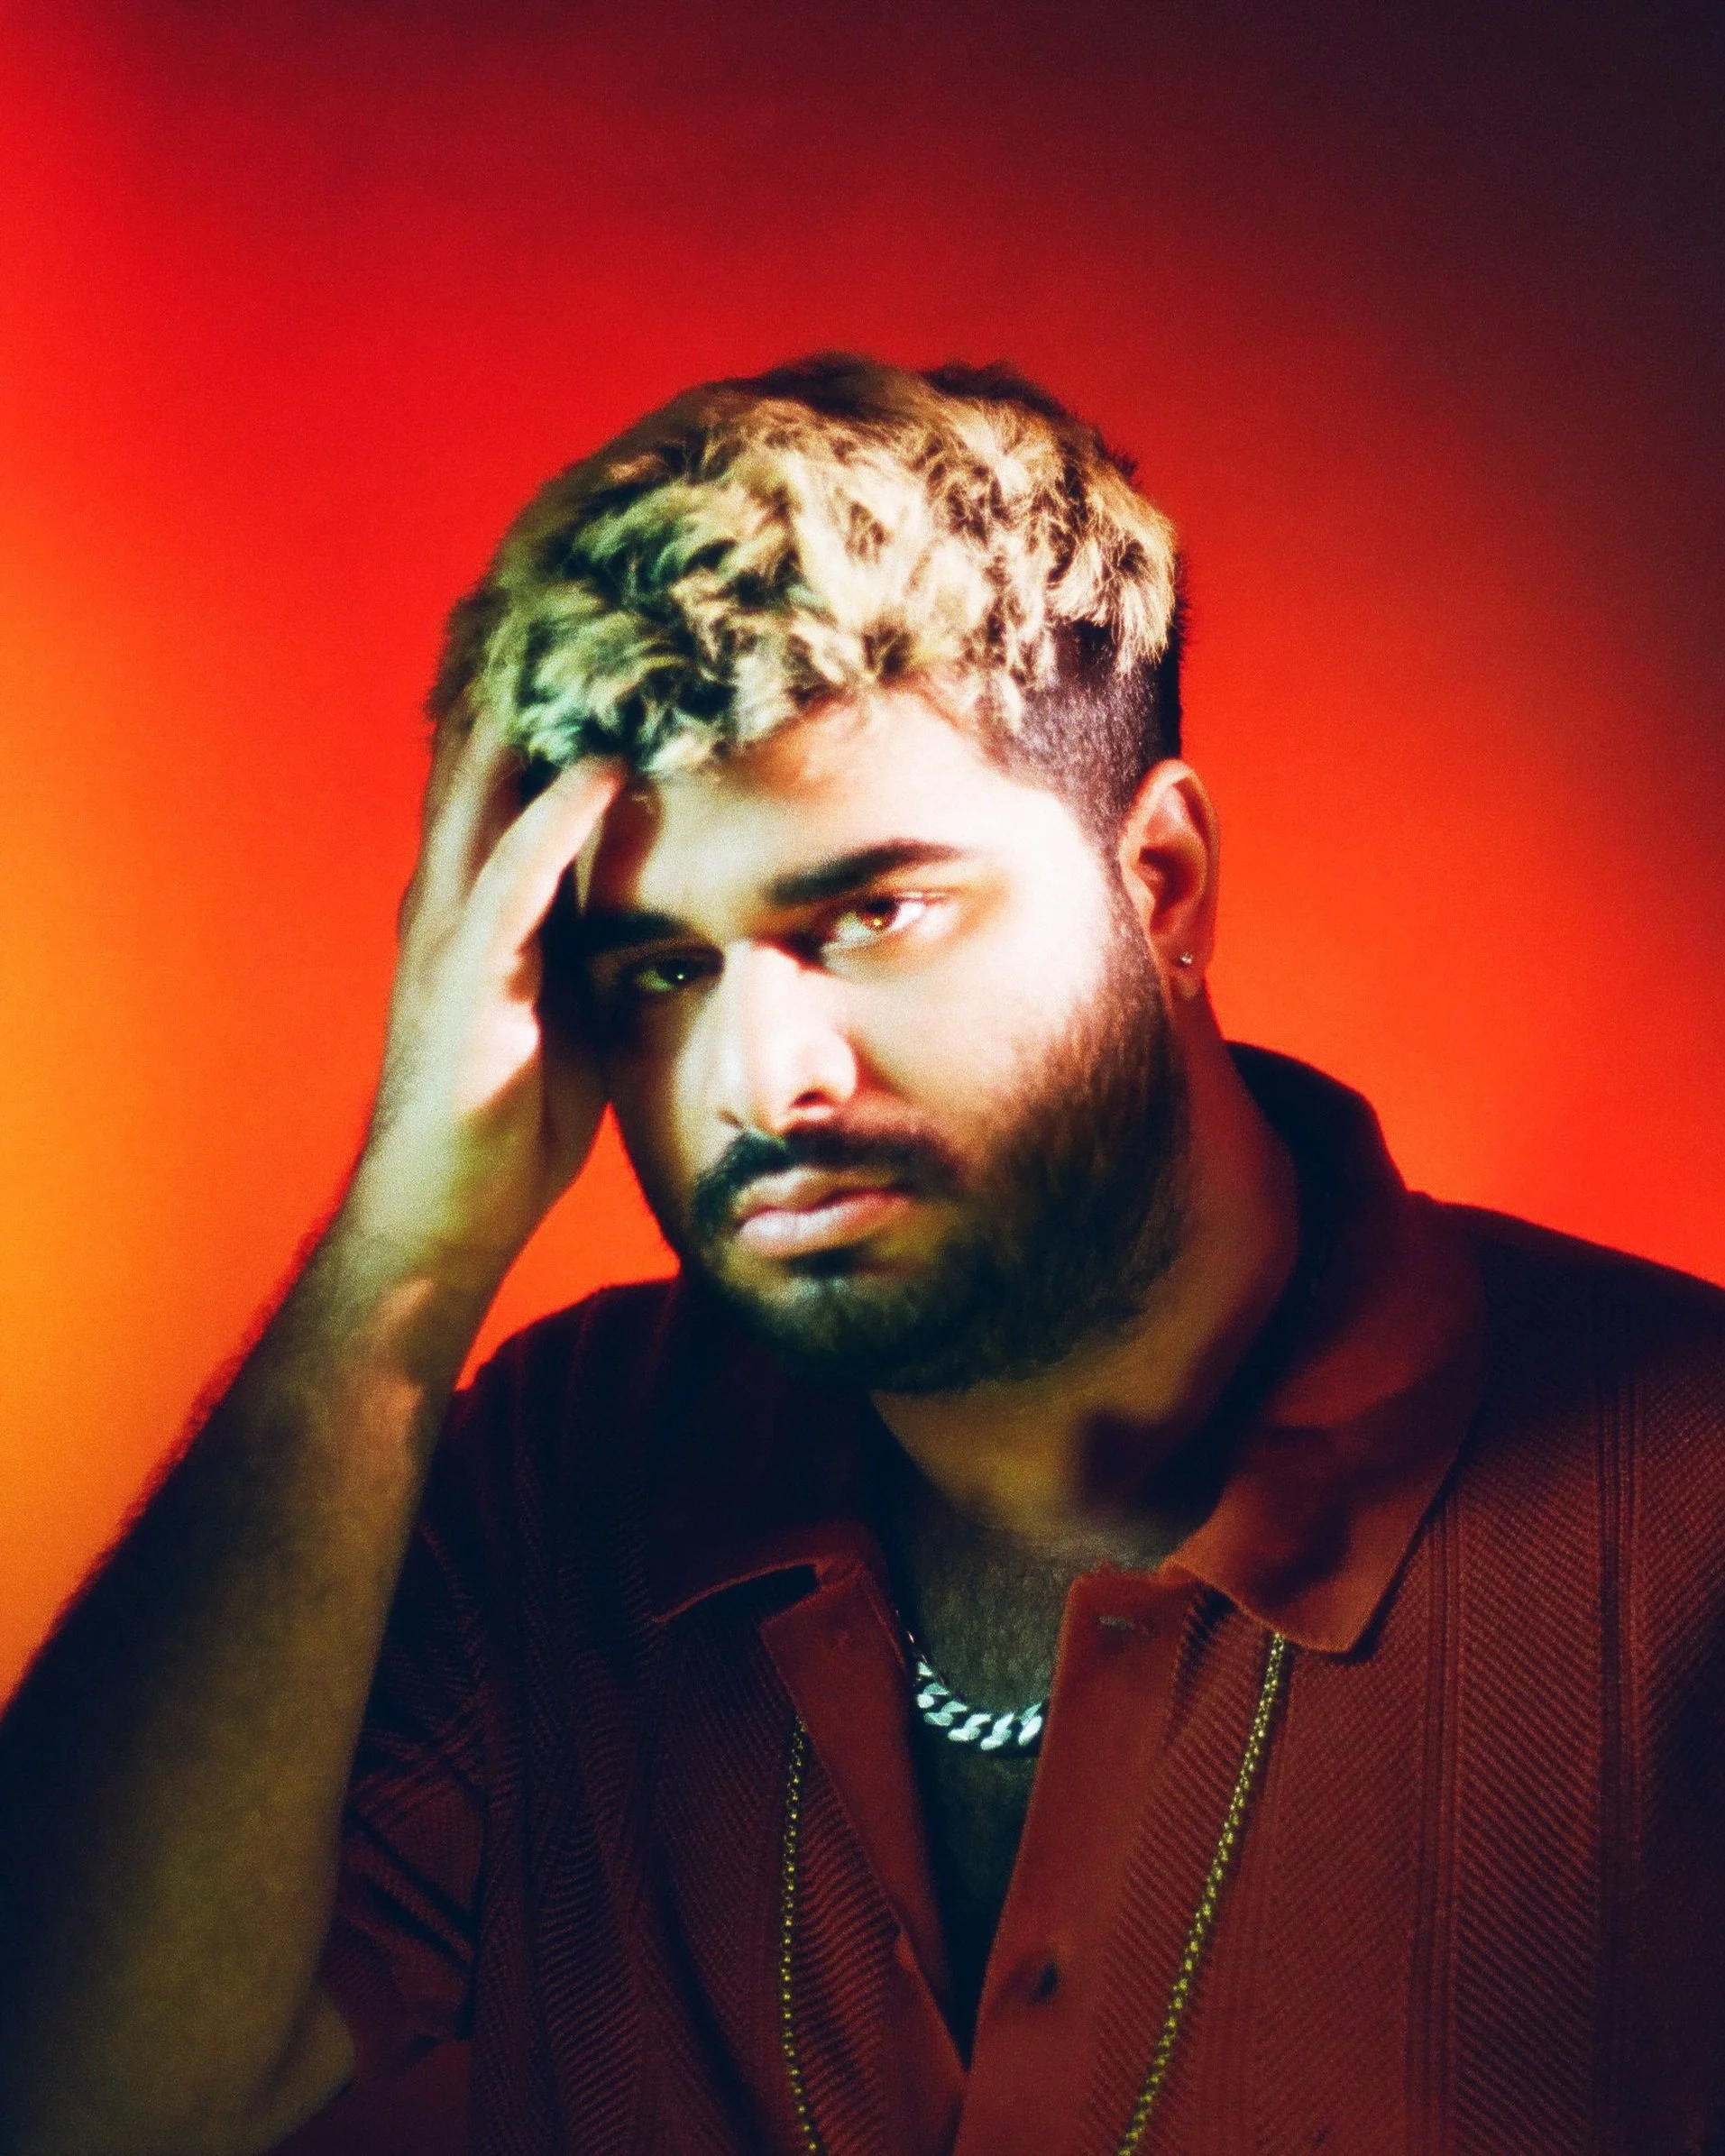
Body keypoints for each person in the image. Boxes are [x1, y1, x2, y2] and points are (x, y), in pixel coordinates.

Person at [2, 355, 1722, 2156]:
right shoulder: (564, 1468)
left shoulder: (1675, 1503)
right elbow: (66, 2096)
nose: (764, 1080)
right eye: (662, 968)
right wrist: (403, 1252)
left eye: (872, 914)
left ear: (1160, 881)